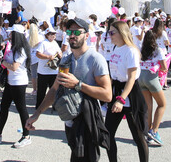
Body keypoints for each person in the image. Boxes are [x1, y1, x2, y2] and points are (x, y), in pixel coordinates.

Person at [26, 17, 111, 161]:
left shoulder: (96, 59)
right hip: (70, 121)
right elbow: (54, 90)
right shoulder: (65, 60)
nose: (72, 35)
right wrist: (37, 113)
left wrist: (78, 84)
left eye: (77, 32)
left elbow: (107, 95)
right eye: (70, 31)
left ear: (86, 35)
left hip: (88, 120)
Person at [104, 21, 148, 162]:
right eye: (108, 32)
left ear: (121, 33)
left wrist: (121, 99)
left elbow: (131, 79)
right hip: (116, 92)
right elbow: (113, 75)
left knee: (138, 136)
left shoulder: (131, 51)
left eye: (112, 32)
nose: (109, 35)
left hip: (130, 95)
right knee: (108, 133)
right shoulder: (116, 48)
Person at [0, 25, 32, 149]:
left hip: (19, 82)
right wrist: (2, 58)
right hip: (11, 82)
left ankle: (26, 136)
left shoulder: (21, 49)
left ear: (16, 35)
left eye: (11, 34)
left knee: (21, 109)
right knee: (4, 106)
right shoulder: (13, 47)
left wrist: (3, 63)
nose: (9, 35)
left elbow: (14, 67)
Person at [138, 29, 167, 146]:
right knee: (162, 104)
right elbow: (164, 66)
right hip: (151, 77)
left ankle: (147, 131)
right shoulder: (158, 50)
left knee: (148, 106)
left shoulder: (141, 49)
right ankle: (154, 131)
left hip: (141, 77)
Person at [35, 26, 61, 109]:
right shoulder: (43, 43)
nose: (53, 36)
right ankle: (39, 106)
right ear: (47, 35)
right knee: (41, 90)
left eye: (54, 34)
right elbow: (38, 54)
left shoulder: (55, 43)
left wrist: (60, 54)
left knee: (54, 89)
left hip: (54, 70)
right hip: (43, 71)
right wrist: (48, 57)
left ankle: (55, 105)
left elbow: (59, 51)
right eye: (51, 34)